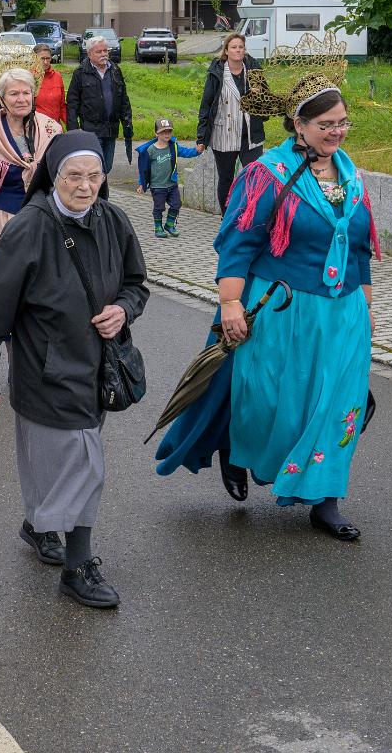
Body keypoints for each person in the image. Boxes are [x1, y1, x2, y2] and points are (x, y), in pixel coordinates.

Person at [156, 77, 379, 542]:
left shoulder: (351, 174)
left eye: (343, 123)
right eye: (326, 124)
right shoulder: (267, 174)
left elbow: (359, 248)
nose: (337, 132)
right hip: (283, 311)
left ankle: (325, 498)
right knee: (271, 401)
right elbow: (238, 243)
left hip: (343, 316)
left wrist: (367, 306)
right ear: (298, 125)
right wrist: (231, 303)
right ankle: (236, 452)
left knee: (339, 402)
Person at [0, 131, 149, 609]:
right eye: (73, 176)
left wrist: (123, 310)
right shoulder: (28, 228)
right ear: (53, 175)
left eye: (93, 177)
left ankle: (39, 525)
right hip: (48, 370)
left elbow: (136, 283)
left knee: (55, 459)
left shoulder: (114, 220)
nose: (85, 187)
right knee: (84, 464)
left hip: (97, 367)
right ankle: (77, 567)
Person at [0, 67, 62, 274]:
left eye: (26, 93)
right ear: (2, 100)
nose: (21, 99)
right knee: (4, 283)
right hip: (2, 220)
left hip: (43, 220)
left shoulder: (51, 130)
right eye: (14, 94)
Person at [196, 32, 270, 212]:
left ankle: (252, 213)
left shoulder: (254, 71)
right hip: (224, 134)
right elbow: (206, 105)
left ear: (245, 50)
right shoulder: (217, 73)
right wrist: (201, 138)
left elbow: (267, 101)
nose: (238, 50)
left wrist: (260, 94)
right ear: (226, 51)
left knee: (254, 176)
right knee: (226, 178)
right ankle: (227, 215)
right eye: (234, 47)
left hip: (250, 135)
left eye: (241, 47)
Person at [66, 35, 132, 173]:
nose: (104, 54)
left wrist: (127, 124)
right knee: (95, 168)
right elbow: (72, 103)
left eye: (105, 51)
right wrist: (73, 130)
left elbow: (123, 100)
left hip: (111, 129)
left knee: (106, 167)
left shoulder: (115, 70)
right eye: (99, 51)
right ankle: (97, 195)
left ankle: (100, 192)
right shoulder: (80, 73)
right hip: (90, 130)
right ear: (89, 54)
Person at [137, 118, 201, 238]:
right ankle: (158, 227)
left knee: (176, 204)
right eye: (163, 132)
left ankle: (169, 224)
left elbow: (186, 152)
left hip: (171, 184)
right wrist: (142, 184)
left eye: (169, 132)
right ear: (156, 133)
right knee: (159, 207)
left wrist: (197, 151)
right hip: (157, 186)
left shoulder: (173, 147)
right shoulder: (150, 150)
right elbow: (143, 169)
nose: (166, 134)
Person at [33, 43, 67, 125]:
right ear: (34, 58)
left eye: (48, 58)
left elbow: (62, 105)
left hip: (55, 126)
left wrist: (72, 126)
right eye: (42, 59)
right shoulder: (29, 77)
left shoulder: (57, 76)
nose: (45, 62)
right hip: (37, 128)